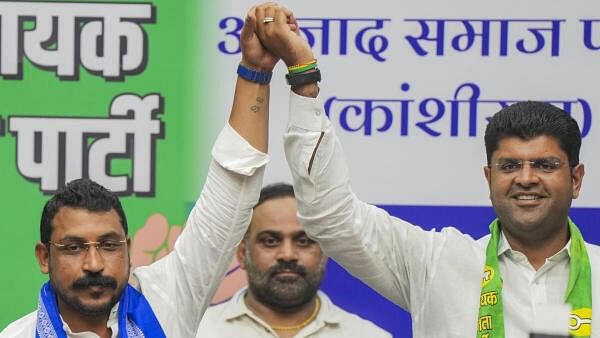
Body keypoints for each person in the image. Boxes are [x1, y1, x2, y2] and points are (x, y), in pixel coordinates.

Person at [246, 3, 600, 338]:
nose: (526, 178)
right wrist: (304, 79)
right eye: (509, 166)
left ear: (576, 178)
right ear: (489, 179)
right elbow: (329, 216)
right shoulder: (438, 264)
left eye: (544, 165)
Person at [0, 3, 280, 336]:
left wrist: (255, 71)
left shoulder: (165, 302)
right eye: (74, 248)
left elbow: (232, 189)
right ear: (44, 257)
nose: (94, 264)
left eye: (109, 245)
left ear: (128, 248)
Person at [196, 183, 392, 338]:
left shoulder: (367, 335)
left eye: (303, 241)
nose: (288, 254)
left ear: (325, 253)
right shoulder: (196, 332)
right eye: (270, 241)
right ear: (242, 254)